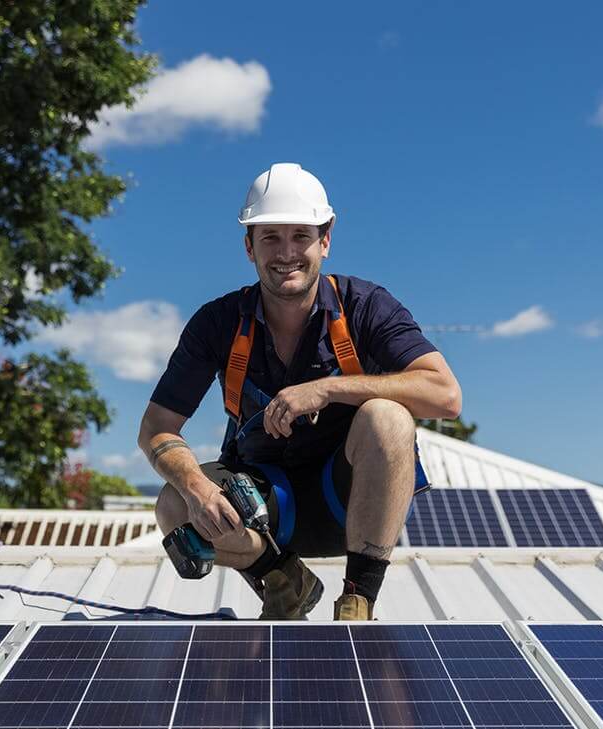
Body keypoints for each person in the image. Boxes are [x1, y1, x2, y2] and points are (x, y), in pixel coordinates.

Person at [137, 163, 462, 620]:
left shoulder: (364, 307)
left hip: (349, 500)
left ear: (325, 241)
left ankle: (357, 600)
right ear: (249, 247)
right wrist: (196, 489)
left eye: (300, 236)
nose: (286, 252)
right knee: (174, 504)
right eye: (270, 237)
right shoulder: (218, 323)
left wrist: (328, 389)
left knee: (389, 417)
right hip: (268, 513)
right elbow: (156, 427)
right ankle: (284, 578)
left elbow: (446, 395)